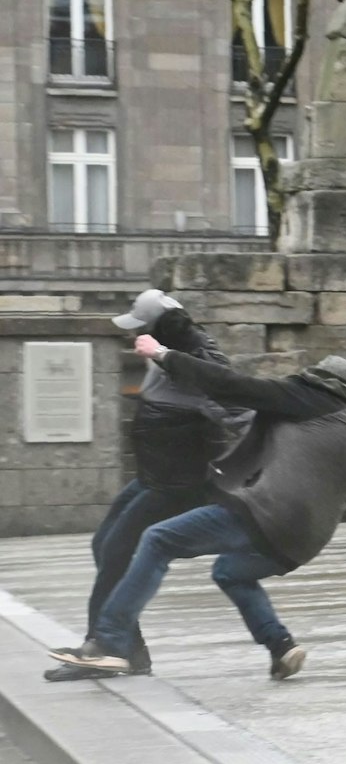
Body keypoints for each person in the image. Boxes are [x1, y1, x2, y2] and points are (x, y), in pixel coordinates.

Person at [50, 348, 346, 681]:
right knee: (231, 572)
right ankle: (281, 645)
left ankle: (111, 642)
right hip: (305, 541)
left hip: (267, 516)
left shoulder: (307, 399)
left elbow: (231, 384)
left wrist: (165, 355)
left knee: (157, 539)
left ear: (316, 381)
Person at [44, 290, 245, 681]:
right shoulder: (164, 350)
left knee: (117, 550)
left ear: (164, 328)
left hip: (175, 482)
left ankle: (103, 646)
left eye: (141, 329)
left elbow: (222, 377)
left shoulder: (191, 348)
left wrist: (175, 340)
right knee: (103, 545)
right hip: (154, 475)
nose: (132, 337)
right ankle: (124, 648)